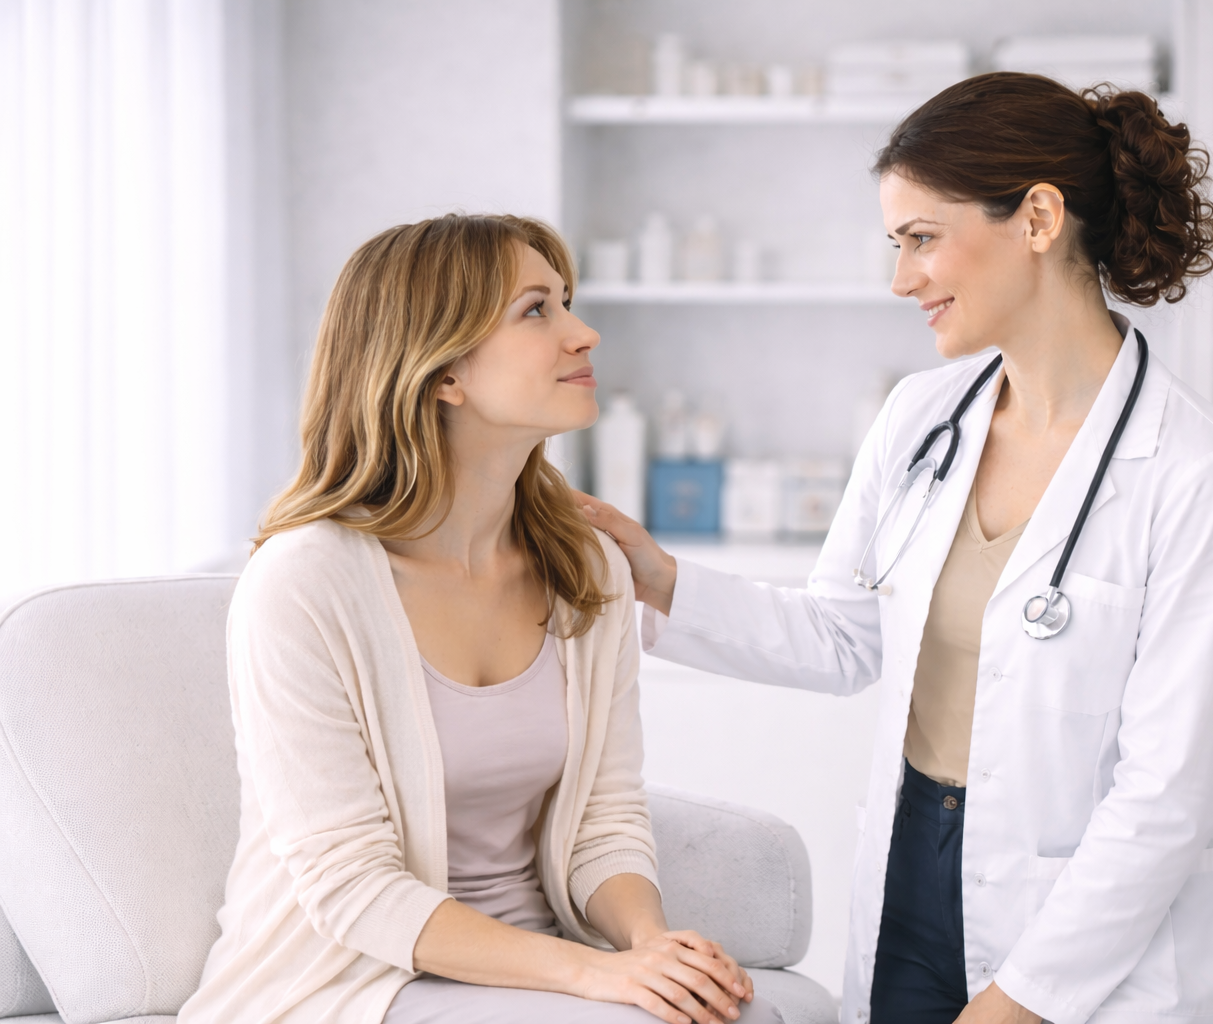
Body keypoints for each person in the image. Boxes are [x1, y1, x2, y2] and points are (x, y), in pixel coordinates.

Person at [581, 74, 1213, 1024]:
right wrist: (657, 579)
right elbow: (843, 635)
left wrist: (1014, 1004)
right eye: (896, 245)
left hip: (1101, 931)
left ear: (1038, 218)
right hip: (916, 873)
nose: (902, 277)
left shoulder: (1201, 477)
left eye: (922, 239)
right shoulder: (921, 418)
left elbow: (1165, 802)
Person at [180, 214, 778, 1024]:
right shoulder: (304, 582)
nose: (584, 333)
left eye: (567, 302)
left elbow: (605, 814)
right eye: (538, 310)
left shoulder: (585, 568)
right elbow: (350, 887)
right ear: (441, 372)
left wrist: (646, 950)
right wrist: (587, 976)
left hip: (526, 968)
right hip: (346, 984)